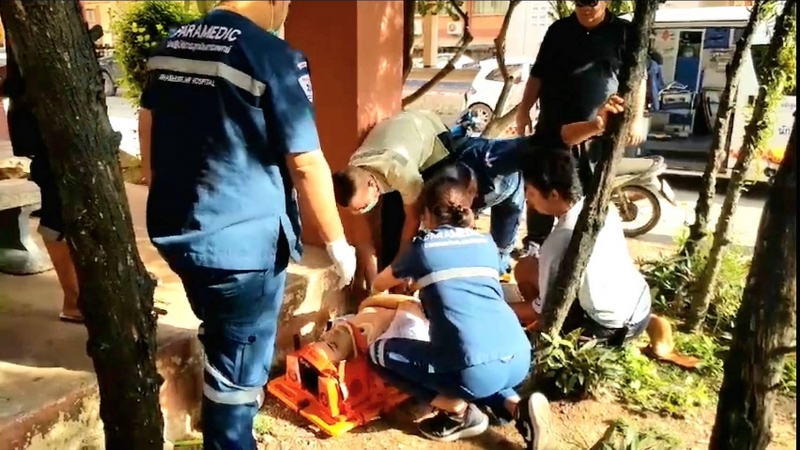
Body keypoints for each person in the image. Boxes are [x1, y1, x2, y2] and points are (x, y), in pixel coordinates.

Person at [137, 1, 357, 448]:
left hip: (179, 232)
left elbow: (148, 122)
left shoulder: (170, 46)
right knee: (238, 372)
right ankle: (231, 436)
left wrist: (157, 183)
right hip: (242, 248)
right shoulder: (274, 57)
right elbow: (306, 162)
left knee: (223, 332)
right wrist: (338, 244)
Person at [369, 169, 552, 449]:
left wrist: (391, 290)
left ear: (427, 214)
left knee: (378, 353)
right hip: (518, 357)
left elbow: (379, 283)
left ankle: (458, 412)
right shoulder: (486, 242)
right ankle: (518, 408)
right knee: (481, 362)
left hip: (473, 371)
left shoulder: (423, 248)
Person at [515, 0, 648, 253]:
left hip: (595, 134)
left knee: (586, 194)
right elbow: (538, 75)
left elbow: (639, 77)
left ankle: (580, 249)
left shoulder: (623, 32)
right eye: (579, 2)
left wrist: (636, 120)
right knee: (542, 186)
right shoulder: (558, 30)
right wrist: (523, 111)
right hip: (553, 129)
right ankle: (535, 245)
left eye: (592, 2)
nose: (586, 7)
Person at [332, 109, 526, 280]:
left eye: (363, 206)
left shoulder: (400, 172)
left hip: (435, 138)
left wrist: (398, 268)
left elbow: (412, 219)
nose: (361, 211)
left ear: (371, 184)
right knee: (390, 220)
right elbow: (362, 223)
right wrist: (368, 257)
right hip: (403, 128)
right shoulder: (356, 168)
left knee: (434, 207)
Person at [512, 146, 652, 345]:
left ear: (553, 195)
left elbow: (543, 308)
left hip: (609, 328)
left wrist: (497, 309)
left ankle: (546, 331)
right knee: (526, 266)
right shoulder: (600, 207)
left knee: (530, 332)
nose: (527, 198)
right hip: (641, 306)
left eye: (531, 193)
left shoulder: (559, 239)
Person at [1, 39, 82, 323]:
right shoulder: (30, 28)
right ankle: (73, 300)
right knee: (56, 218)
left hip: (55, 133)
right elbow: (19, 81)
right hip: (48, 134)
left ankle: (77, 297)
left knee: (63, 215)